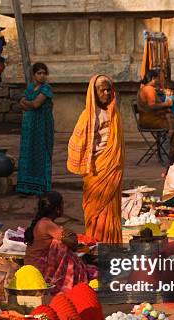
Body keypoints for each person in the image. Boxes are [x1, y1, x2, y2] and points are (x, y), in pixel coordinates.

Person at [67, 75, 124, 244]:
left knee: (111, 212)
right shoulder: (88, 116)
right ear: (94, 92)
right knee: (96, 213)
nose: (106, 93)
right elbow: (76, 141)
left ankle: (112, 247)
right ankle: (98, 246)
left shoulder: (114, 114)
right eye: (102, 90)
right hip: (97, 172)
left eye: (109, 89)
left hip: (112, 169)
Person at [24, 191, 98, 293]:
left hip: (34, 266)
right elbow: (71, 241)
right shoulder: (46, 224)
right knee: (59, 244)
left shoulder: (43, 222)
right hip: (39, 270)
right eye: (62, 204)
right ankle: (66, 282)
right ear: (57, 209)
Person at [16, 63, 54, 196]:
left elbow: (36, 104)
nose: (42, 76)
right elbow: (22, 104)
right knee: (28, 152)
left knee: (41, 152)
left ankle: (41, 186)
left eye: (44, 73)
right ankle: (26, 185)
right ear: (34, 75)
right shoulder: (30, 88)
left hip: (42, 125)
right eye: (39, 73)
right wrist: (28, 103)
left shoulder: (46, 89)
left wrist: (27, 103)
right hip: (29, 125)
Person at [137, 68, 174, 156]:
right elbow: (152, 106)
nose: (158, 81)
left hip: (151, 118)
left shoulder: (145, 88)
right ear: (153, 78)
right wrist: (166, 104)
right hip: (150, 121)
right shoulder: (149, 89)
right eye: (157, 79)